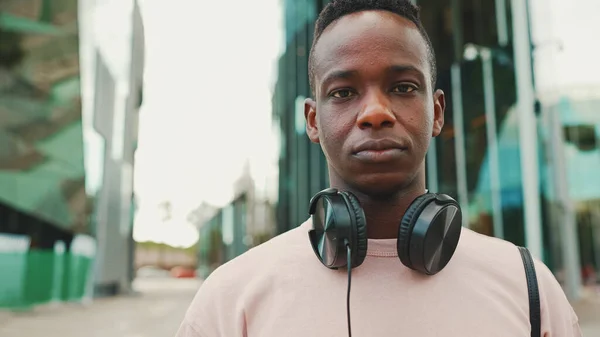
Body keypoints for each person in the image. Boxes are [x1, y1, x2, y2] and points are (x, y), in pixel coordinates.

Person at [176, 0, 582, 336]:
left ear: (436, 112)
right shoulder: (230, 302)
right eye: (344, 92)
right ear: (313, 121)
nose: (374, 113)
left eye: (403, 87)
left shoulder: (529, 287)